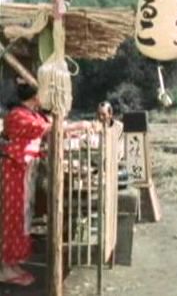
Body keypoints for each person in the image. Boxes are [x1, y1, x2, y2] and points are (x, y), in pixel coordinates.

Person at [0, 84, 90, 286]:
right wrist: (78, 125)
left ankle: (13, 262)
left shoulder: (34, 114)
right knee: (13, 216)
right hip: (15, 169)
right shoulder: (17, 115)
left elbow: (53, 125)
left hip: (26, 168)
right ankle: (5, 266)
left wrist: (74, 129)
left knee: (24, 216)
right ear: (34, 95)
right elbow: (48, 128)